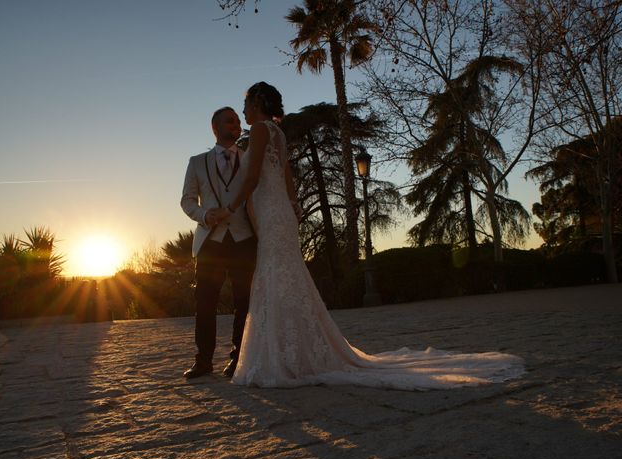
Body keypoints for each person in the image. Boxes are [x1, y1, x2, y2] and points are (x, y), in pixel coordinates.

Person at [217, 82, 525, 390]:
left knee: (275, 275)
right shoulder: (278, 133)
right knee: (286, 276)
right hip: (280, 212)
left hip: (272, 213)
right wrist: (293, 206)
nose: (243, 110)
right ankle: (294, 352)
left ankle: (283, 356)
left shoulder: (259, 131)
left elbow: (255, 175)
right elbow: (287, 178)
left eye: (245, 104)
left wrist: (231, 207)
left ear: (257, 101)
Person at [180, 107, 257, 379]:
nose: (236, 125)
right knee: (205, 302)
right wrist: (204, 215)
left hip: (243, 238)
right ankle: (203, 360)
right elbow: (187, 200)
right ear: (215, 127)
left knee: (244, 300)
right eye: (229, 121)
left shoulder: (250, 160)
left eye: (237, 121)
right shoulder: (196, 162)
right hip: (210, 241)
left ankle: (238, 357)